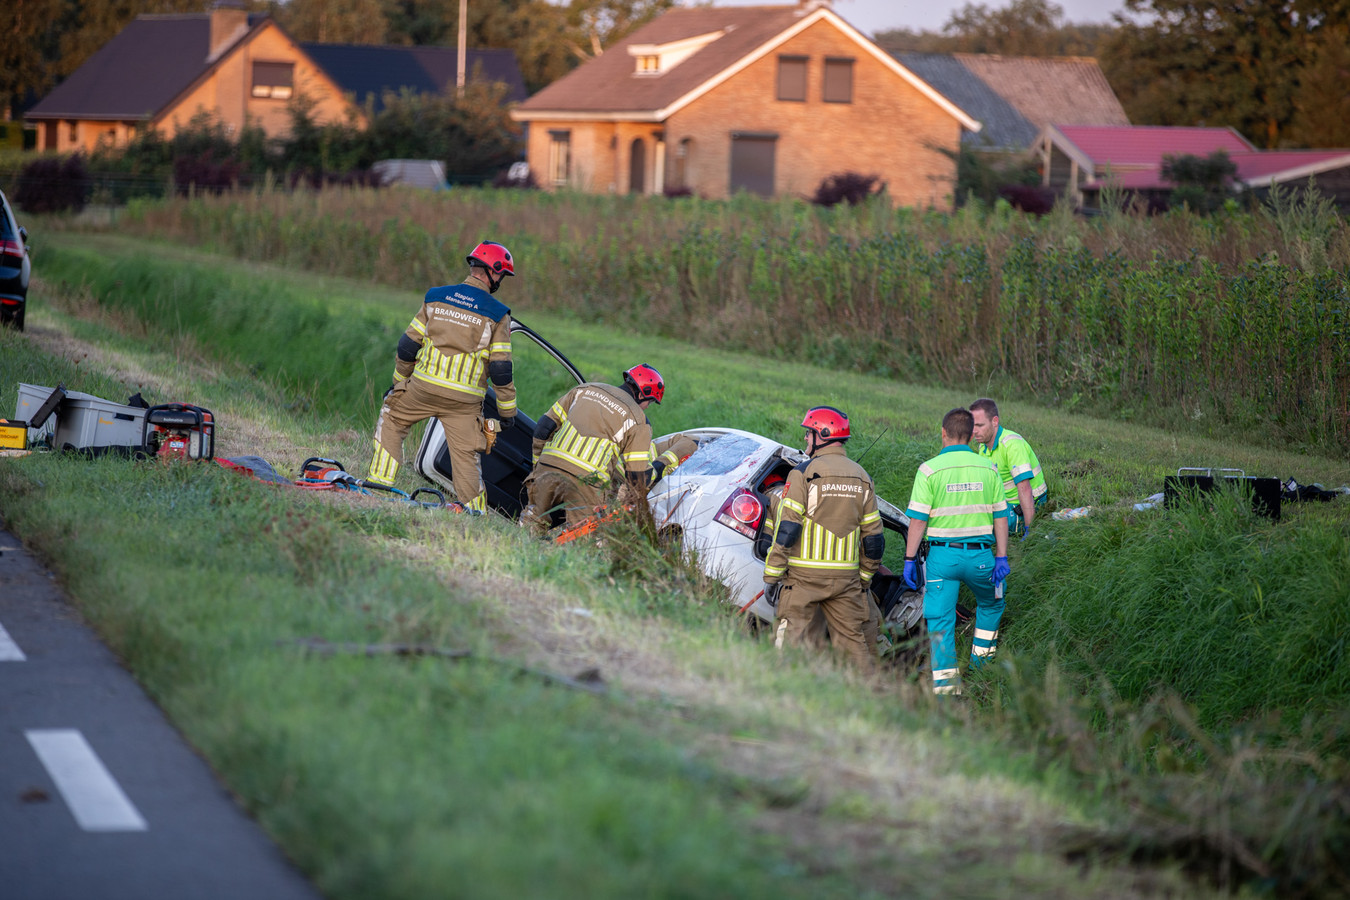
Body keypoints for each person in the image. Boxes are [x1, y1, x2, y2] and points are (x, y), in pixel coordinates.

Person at [365, 240, 517, 513]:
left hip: (423, 388)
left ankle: (379, 482)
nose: (500, 280)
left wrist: (400, 382)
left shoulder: (436, 297)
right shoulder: (498, 314)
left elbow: (407, 345)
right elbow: (501, 370)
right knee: (466, 457)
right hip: (464, 402)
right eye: (502, 275)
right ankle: (475, 512)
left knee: (393, 416)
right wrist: (507, 412)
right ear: (493, 271)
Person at [763, 406, 885, 673]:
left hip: (804, 578)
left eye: (809, 433)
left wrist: (772, 576)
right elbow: (874, 538)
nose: (806, 439)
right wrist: (863, 579)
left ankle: (780, 691)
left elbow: (788, 529)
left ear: (823, 435)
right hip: (846, 581)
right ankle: (870, 699)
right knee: (855, 648)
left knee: (790, 643)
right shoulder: (863, 477)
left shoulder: (804, 473)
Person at [903, 408, 1009, 696]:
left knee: (940, 622)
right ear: (971, 434)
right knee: (992, 604)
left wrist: (910, 559)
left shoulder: (929, 469)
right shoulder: (989, 468)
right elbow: (1001, 516)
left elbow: (918, 520)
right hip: (981, 558)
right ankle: (980, 669)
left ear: (943, 433)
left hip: (941, 559)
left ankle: (947, 691)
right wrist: (1001, 556)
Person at [521, 364, 663, 532]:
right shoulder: (639, 420)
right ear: (641, 394)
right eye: (650, 402)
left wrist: (538, 465)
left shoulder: (584, 389)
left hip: (549, 466)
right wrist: (657, 472)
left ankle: (517, 550)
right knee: (580, 536)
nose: (647, 407)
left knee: (533, 521)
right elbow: (636, 475)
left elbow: (543, 428)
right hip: (587, 481)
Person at [969, 398, 1047, 537]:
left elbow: (1025, 489)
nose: (974, 431)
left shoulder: (1011, 444)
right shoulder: (983, 446)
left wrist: (1030, 531)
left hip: (1025, 507)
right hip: (1005, 503)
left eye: (980, 425)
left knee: (975, 526)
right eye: (972, 425)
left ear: (995, 421)